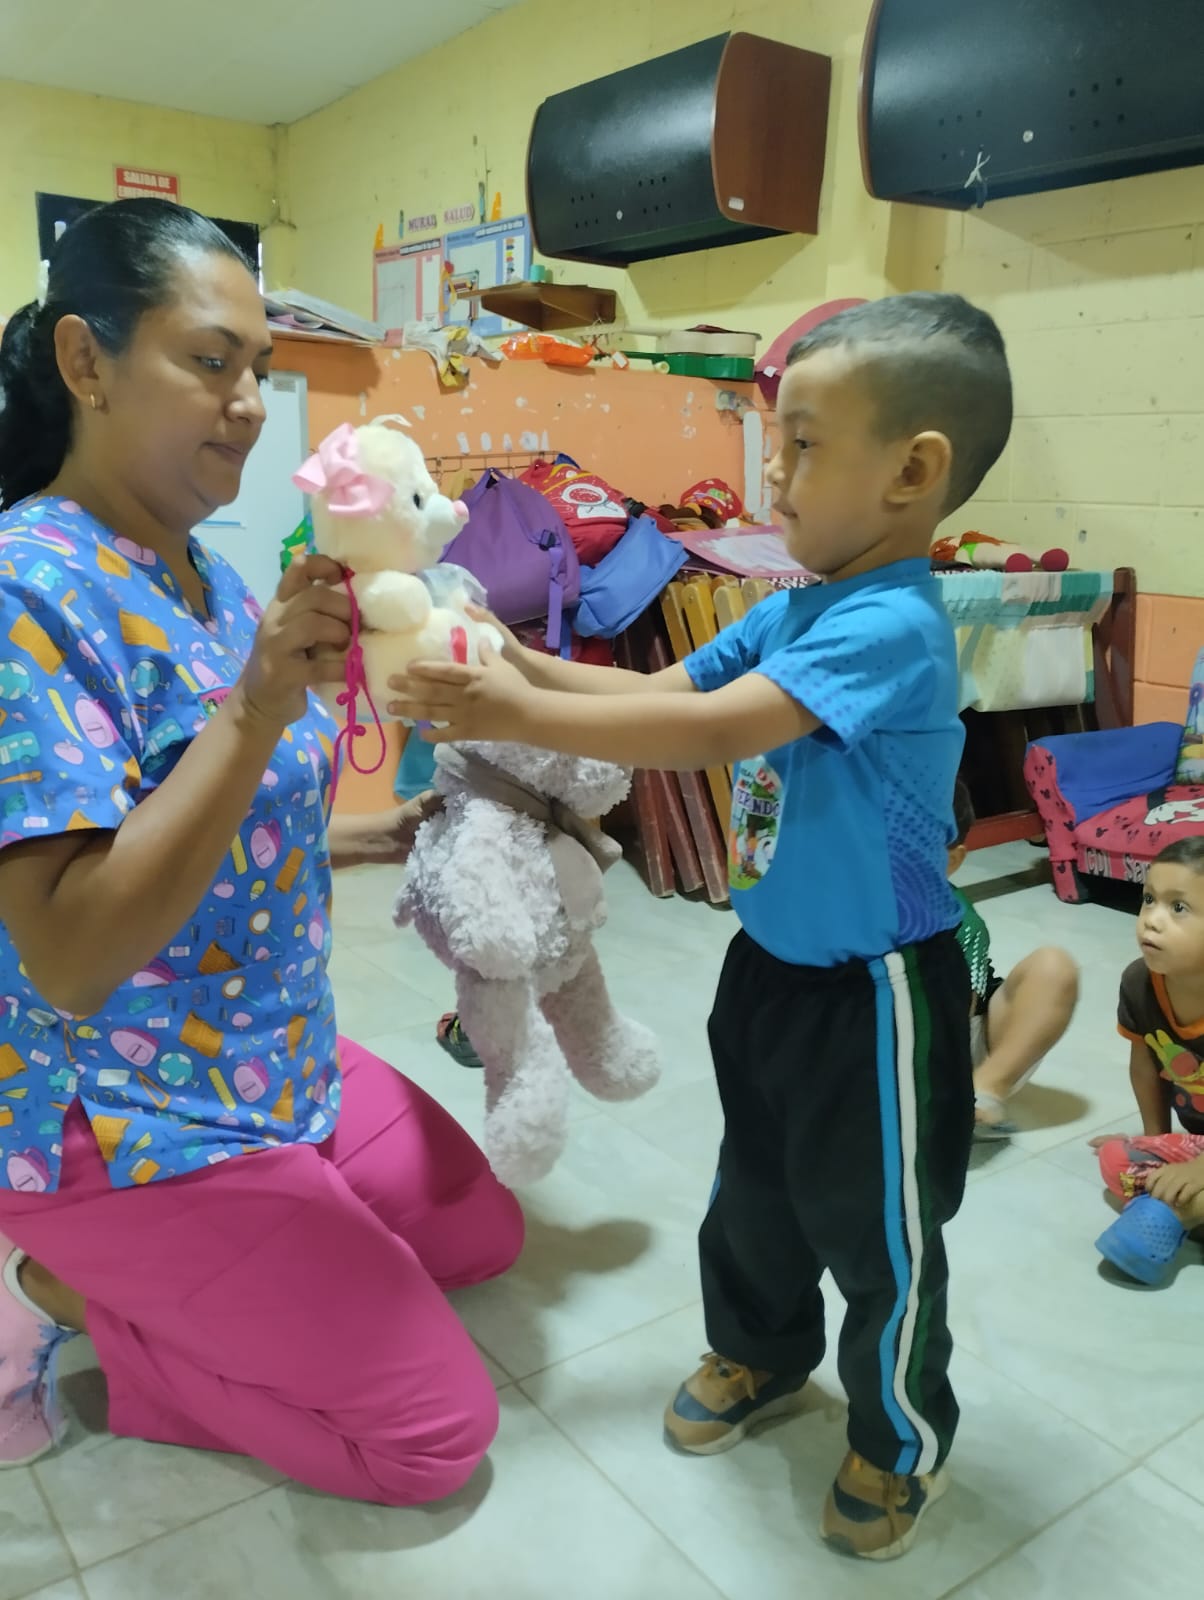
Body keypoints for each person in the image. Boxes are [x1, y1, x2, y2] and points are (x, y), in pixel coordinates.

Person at [391, 293, 1014, 1560]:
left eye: (804, 444)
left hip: (874, 994)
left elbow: (710, 729)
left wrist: (504, 707)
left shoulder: (892, 624)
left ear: (912, 471)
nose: (773, 471)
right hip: (769, 966)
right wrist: (505, 661)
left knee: (879, 1231)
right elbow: (660, 687)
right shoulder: (797, 604)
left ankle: (898, 1438)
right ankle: (760, 1351)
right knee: (755, 1191)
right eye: (776, 441)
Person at [0, 199, 523, 1499]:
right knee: (432, 1438)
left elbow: (218, 817)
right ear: (85, 361)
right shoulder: (25, 591)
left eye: (258, 369)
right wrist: (252, 707)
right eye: (208, 361)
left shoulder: (212, 575)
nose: (244, 405)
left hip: (265, 1053)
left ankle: (218, 1266)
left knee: (478, 1232)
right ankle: (61, 1288)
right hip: (121, 1110)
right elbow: (68, 955)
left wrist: (371, 834)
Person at [1093, 837, 1204, 1285]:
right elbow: (1145, 1067)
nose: (1152, 920)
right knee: (1117, 1160)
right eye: (1149, 899)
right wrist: (1157, 1143)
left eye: (1179, 908)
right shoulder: (1139, 983)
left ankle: (1180, 1215)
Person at [949, 781, 1080, 1138]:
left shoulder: (960, 921)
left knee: (1053, 967)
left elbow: (959, 1013)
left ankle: (983, 1092)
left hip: (955, 1041)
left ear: (951, 860)